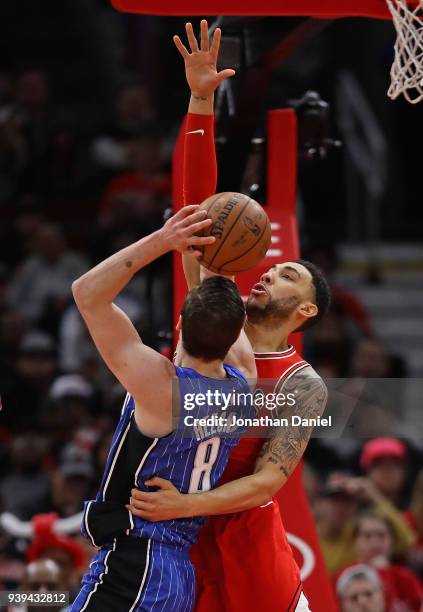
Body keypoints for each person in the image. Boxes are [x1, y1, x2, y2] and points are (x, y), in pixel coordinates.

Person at [128, 20, 330, 612]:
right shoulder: (219, 314)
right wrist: (200, 100)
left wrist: (187, 506)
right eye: (272, 267)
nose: (268, 271)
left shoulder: (302, 384)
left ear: (307, 310)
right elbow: (197, 209)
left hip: (239, 534)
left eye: (287, 274)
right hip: (173, 523)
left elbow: (269, 482)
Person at [69, 203, 256, 611]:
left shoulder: (162, 388)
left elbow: (86, 294)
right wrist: (214, 263)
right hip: (173, 575)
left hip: (136, 564)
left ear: (180, 327)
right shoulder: (245, 382)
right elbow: (219, 314)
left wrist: (166, 239)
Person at [336, 511, 423, 612]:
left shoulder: (405, 577)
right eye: (367, 536)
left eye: (381, 535)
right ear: (355, 542)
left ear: (392, 541)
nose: (375, 542)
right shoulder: (341, 577)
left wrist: (384, 572)